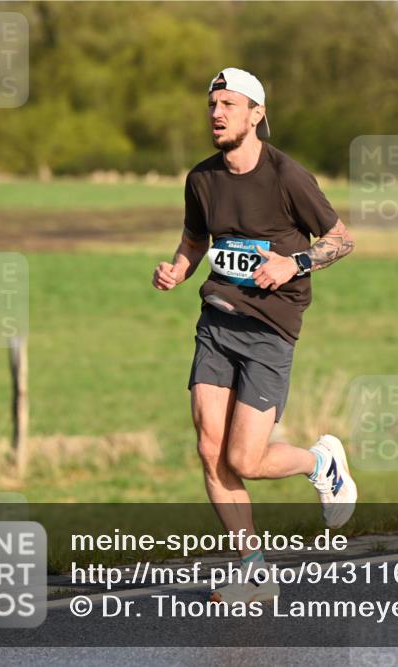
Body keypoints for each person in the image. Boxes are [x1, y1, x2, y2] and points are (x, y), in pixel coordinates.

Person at [151, 67, 357, 604]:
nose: (216, 113)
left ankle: (321, 462)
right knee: (209, 448)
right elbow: (195, 239)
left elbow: (340, 239)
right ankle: (254, 571)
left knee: (245, 459)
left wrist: (295, 263)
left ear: (256, 114)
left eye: (228, 104)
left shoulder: (287, 176)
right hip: (217, 322)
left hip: (270, 329)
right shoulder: (201, 179)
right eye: (212, 104)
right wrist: (176, 270)